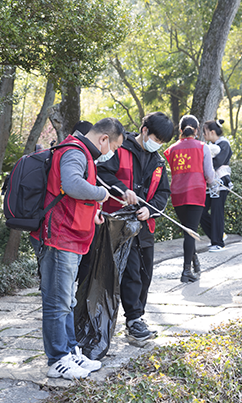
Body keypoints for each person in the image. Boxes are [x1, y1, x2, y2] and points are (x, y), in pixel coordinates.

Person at [30, 118, 124, 379]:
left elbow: (70, 197)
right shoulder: (74, 151)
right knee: (57, 302)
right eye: (113, 147)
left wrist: (92, 213)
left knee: (67, 301)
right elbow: (71, 185)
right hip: (59, 238)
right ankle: (57, 359)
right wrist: (99, 194)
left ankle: (70, 352)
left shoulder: (81, 152)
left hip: (69, 237)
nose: (111, 153)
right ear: (104, 139)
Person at [97, 112, 173, 343]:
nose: (157, 145)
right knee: (126, 273)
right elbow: (101, 173)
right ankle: (131, 320)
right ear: (144, 130)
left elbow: (163, 193)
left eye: (162, 143)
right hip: (117, 224)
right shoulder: (121, 149)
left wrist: (151, 210)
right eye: (156, 139)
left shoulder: (158, 161)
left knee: (143, 273)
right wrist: (122, 189)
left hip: (143, 226)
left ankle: (136, 319)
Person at [163, 115, 216, 283]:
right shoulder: (202, 147)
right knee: (190, 232)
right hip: (195, 192)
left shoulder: (171, 149)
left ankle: (195, 262)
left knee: (188, 230)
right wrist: (212, 183)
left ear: (180, 130)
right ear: (197, 130)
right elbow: (209, 174)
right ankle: (186, 270)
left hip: (177, 194)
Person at [200, 119, 233, 252]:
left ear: (212, 132)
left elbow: (216, 163)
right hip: (210, 183)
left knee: (216, 212)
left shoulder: (224, 144)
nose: (204, 134)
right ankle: (219, 235)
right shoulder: (211, 145)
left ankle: (218, 243)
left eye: (205, 132)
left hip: (220, 183)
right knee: (201, 211)